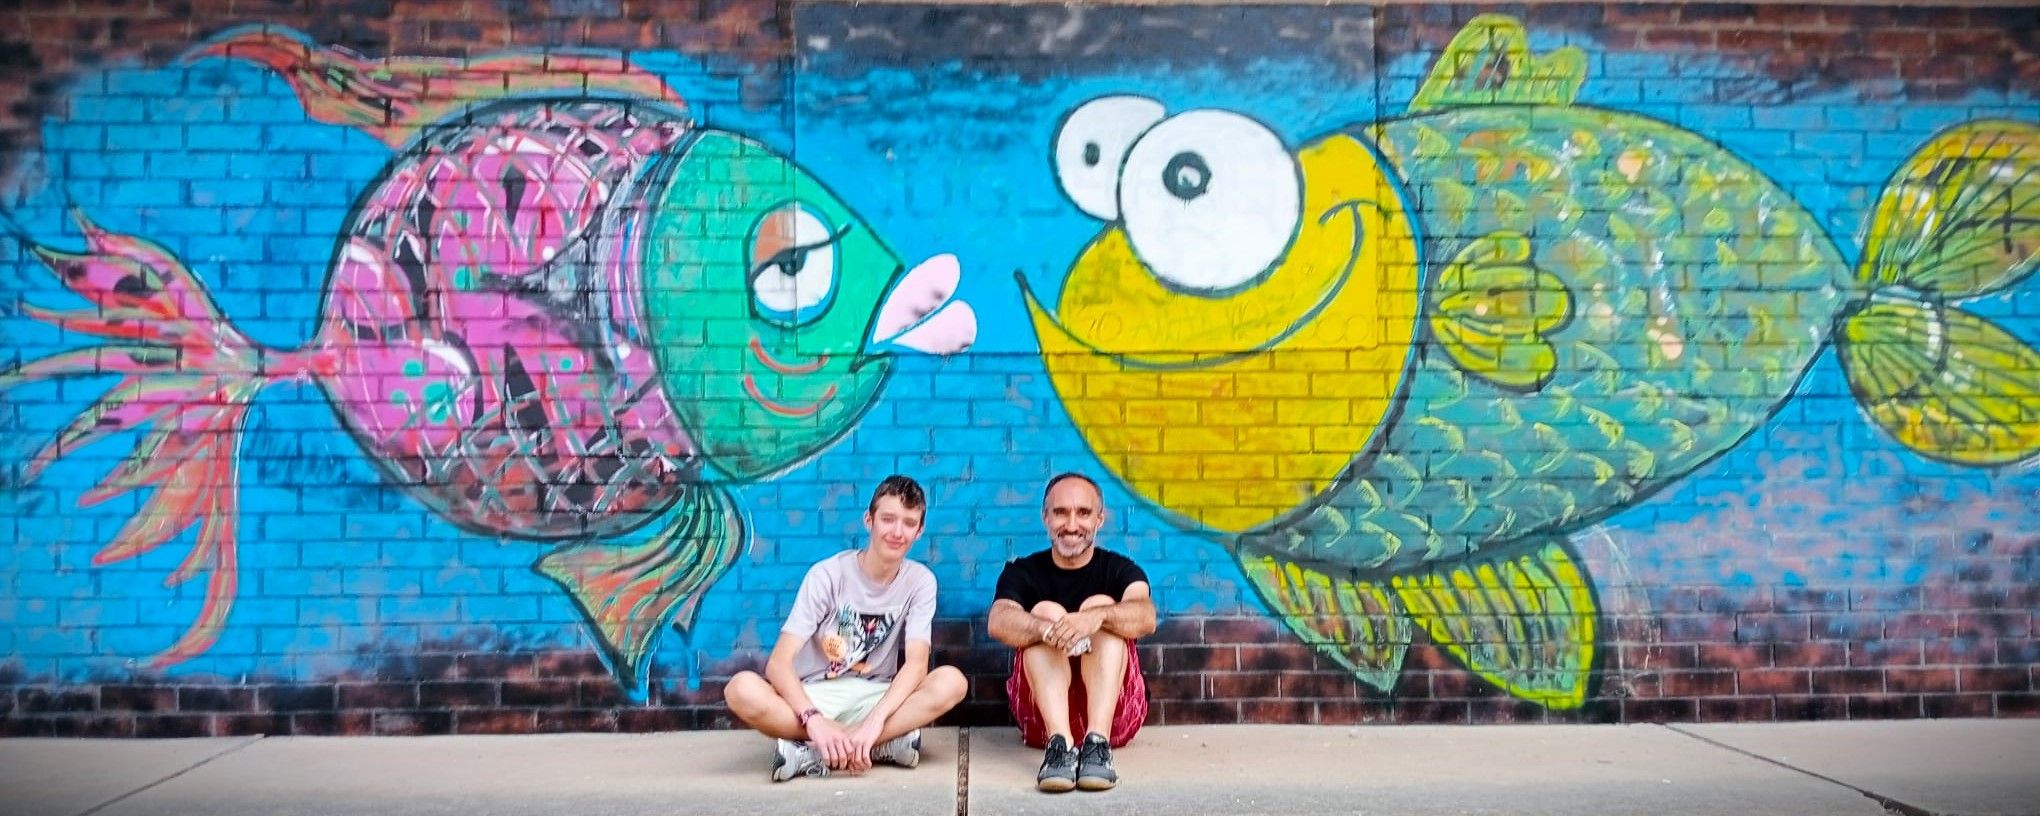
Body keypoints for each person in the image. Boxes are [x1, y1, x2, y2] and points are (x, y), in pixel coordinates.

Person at [723, 474, 967, 781]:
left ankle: (816, 751)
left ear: (920, 531)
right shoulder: (827, 575)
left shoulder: (920, 581)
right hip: (815, 696)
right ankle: (870, 745)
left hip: (876, 697)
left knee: (952, 682)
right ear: (869, 520)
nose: (896, 531)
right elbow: (779, 664)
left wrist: (876, 721)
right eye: (888, 519)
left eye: (908, 523)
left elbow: (917, 665)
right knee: (741, 689)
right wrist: (814, 720)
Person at [986, 472, 1156, 792]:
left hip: (1115, 718)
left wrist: (1096, 618)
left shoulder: (1120, 569)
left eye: (1084, 513)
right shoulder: (1023, 571)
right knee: (1043, 614)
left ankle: (1097, 746)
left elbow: (1146, 616)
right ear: (1046, 518)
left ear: (1100, 519)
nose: (1072, 524)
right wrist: (1048, 629)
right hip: (1042, 723)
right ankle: (1060, 747)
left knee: (1101, 606)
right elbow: (998, 620)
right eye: (1061, 512)